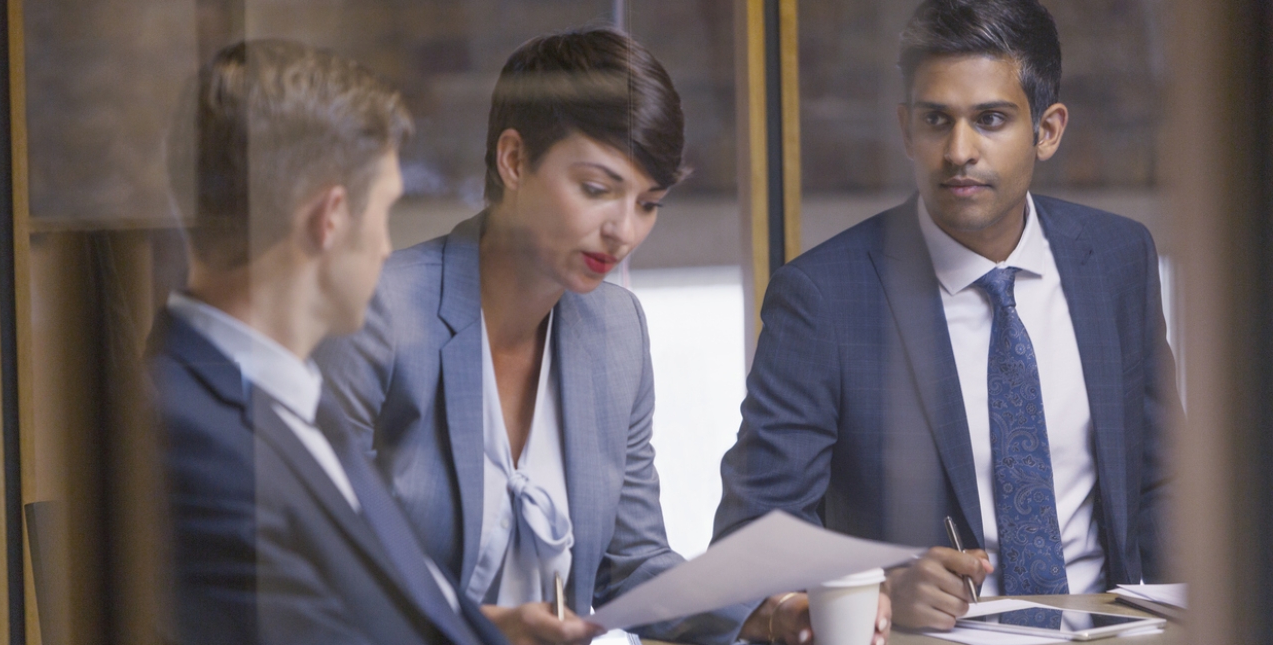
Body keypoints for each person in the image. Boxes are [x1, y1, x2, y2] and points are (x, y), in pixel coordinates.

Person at [315, 27, 885, 645]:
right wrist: (484, 629)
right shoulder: (378, 314)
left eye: (649, 203)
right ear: (513, 160)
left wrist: (768, 615)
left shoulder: (616, 330)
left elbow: (633, 565)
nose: (624, 232)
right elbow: (316, 583)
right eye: (597, 190)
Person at [714, 0, 1180, 634]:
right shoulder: (824, 297)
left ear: (1048, 130)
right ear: (906, 130)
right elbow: (752, 539)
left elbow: (1164, 484)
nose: (959, 151)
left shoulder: (1118, 260)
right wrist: (877, 590)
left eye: (990, 120)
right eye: (937, 120)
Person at [149, 39, 508, 645]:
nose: (388, 247)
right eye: (386, 212)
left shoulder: (281, 394)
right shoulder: (191, 444)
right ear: (331, 218)